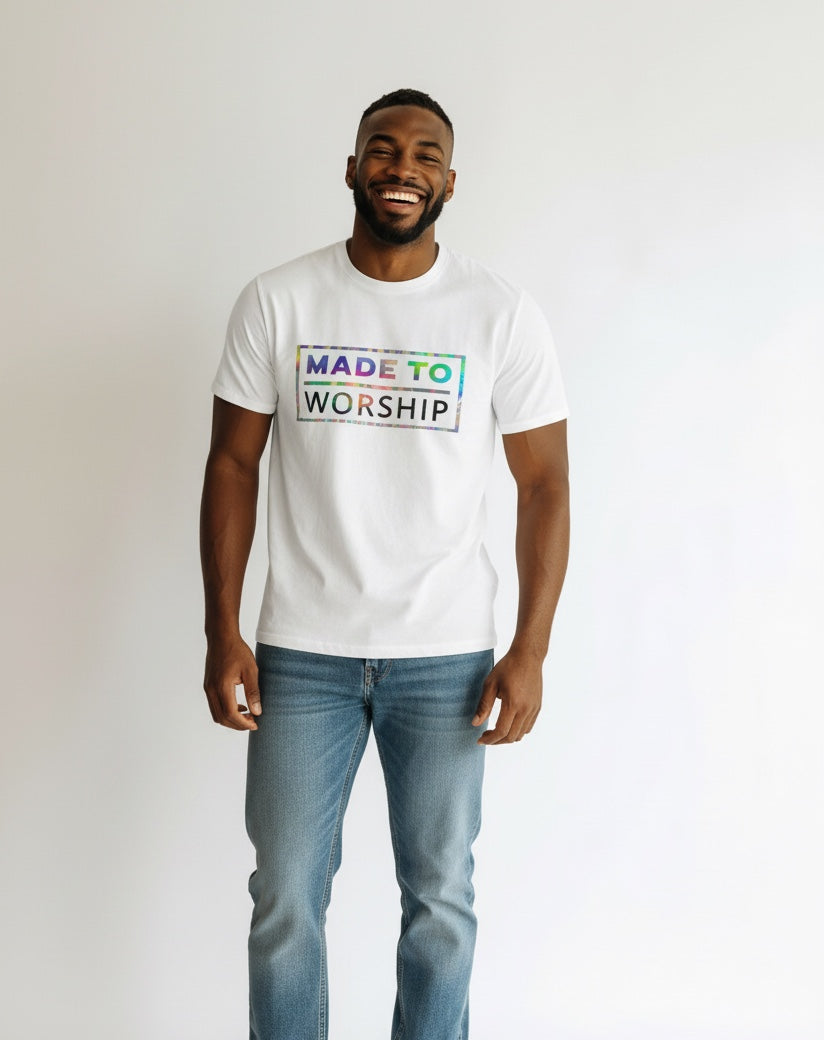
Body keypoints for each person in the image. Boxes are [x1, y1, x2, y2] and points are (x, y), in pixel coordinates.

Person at [200, 87, 570, 1040]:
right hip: (302, 654)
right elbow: (233, 462)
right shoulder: (279, 299)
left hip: (446, 656)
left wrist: (529, 651)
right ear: (353, 166)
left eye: (424, 154)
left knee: (440, 901)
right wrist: (222, 631)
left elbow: (544, 486)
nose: (402, 166)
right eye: (383, 147)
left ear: (450, 180)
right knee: (285, 897)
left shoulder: (498, 313)